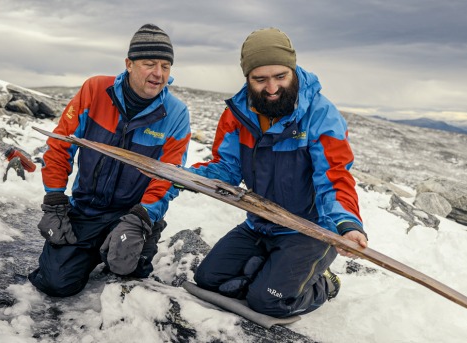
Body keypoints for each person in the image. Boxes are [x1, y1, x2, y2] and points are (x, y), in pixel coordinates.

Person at [190, 27, 368, 317]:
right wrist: (186, 177)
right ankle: (270, 268)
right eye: (260, 79)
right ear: (247, 79)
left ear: (293, 71)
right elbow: (227, 167)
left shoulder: (320, 115)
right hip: (260, 224)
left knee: (267, 302)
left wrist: (346, 224)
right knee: (209, 280)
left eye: (280, 77)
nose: (271, 88)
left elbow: (335, 176)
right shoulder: (238, 115)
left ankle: (324, 284)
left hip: (311, 231)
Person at [28, 24, 191, 297]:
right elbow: (60, 146)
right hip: (86, 209)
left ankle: (139, 237)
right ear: (129, 64)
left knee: (127, 270)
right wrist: (54, 202)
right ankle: (93, 248)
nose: (158, 74)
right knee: (56, 282)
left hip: (131, 213)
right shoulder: (95, 90)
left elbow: (169, 176)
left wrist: (142, 217)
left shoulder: (175, 113)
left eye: (165, 66)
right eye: (149, 64)